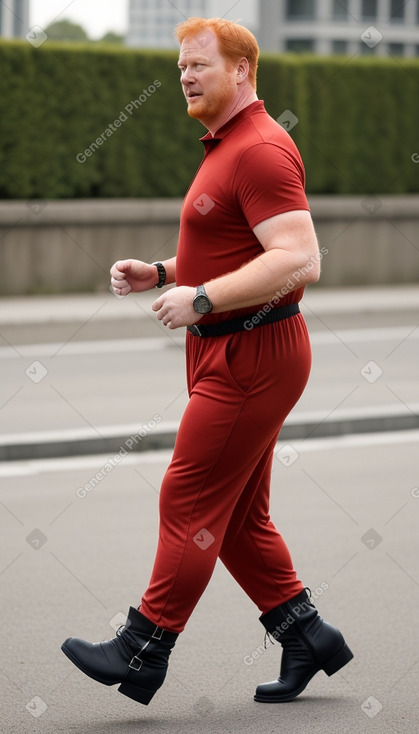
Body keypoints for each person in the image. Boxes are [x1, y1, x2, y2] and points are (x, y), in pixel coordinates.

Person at [61, 17, 353, 706]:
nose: (184, 76)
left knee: (188, 499)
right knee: (238, 518)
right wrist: (164, 273)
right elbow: (235, 242)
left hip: (252, 354)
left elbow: (297, 257)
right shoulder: (226, 145)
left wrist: (203, 297)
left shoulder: (258, 149)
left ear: (242, 71)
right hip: (231, 348)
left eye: (198, 65)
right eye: (180, 66)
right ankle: (306, 635)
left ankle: (142, 649)